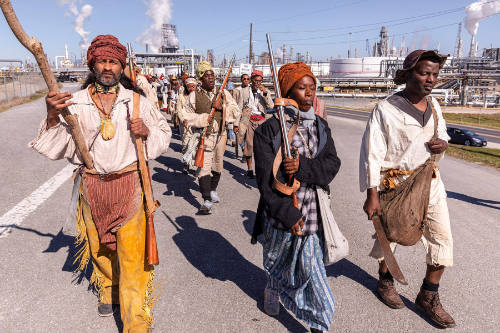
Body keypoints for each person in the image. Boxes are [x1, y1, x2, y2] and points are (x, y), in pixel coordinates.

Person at [29, 35, 172, 332]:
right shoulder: (75, 102)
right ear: (92, 63)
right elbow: (58, 146)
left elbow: (164, 133)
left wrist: (145, 132)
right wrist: (53, 116)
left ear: (122, 66)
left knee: (134, 259)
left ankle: (137, 322)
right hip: (92, 187)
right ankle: (109, 287)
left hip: (130, 187)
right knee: (101, 250)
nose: (107, 67)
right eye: (102, 61)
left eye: (113, 62)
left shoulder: (137, 101)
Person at [359, 50, 456, 328]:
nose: (431, 79)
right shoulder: (385, 109)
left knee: (442, 238)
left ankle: (428, 295)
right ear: (408, 74)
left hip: (430, 181)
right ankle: (385, 281)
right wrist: (372, 194)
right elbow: (372, 154)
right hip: (397, 184)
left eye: (435, 74)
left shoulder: (434, 105)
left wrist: (443, 144)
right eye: (424, 73)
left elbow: (444, 133)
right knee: (390, 235)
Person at [253, 62, 341, 333]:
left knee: (312, 271)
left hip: (312, 211)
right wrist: (289, 214)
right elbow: (266, 182)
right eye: (301, 88)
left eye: (312, 88)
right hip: (282, 212)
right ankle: (272, 287)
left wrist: (302, 167)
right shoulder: (268, 130)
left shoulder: (321, 126)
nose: (308, 94)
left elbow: (332, 165)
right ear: (287, 90)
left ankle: (319, 324)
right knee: (276, 260)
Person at [182, 61, 240, 214]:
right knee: (203, 168)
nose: (211, 78)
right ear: (201, 79)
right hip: (204, 137)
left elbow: (236, 111)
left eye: (212, 75)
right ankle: (206, 199)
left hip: (220, 135)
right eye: (207, 76)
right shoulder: (194, 95)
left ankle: (213, 189)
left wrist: (223, 108)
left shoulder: (223, 93)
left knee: (217, 165)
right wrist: (202, 119)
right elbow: (185, 115)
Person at [239, 70, 274, 178]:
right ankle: (249, 169)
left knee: (262, 146)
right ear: (252, 80)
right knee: (249, 145)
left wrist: (265, 94)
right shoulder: (244, 91)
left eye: (259, 81)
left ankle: (262, 169)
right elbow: (239, 107)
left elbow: (271, 106)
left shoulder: (265, 91)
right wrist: (236, 124)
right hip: (249, 120)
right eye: (255, 80)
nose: (257, 83)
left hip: (261, 121)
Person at [176, 77, 198, 173]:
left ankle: (194, 165)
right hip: (185, 124)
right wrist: (183, 120)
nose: (191, 89)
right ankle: (186, 164)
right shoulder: (181, 97)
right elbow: (179, 111)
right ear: (186, 87)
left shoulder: (199, 96)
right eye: (189, 87)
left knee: (195, 145)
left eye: (193, 87)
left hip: (196, 123)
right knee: (185, 144)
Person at [233, 73, 251, 159]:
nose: (246, 80)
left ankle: (246, 153)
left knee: (248, 135)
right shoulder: (237, 90)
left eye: (248, 79)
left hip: (250, 114)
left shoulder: (251, 89)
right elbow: (234, 104)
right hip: (240, 114)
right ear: (241, 80)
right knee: (239, 134)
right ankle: (244, 149)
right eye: (244, 79)